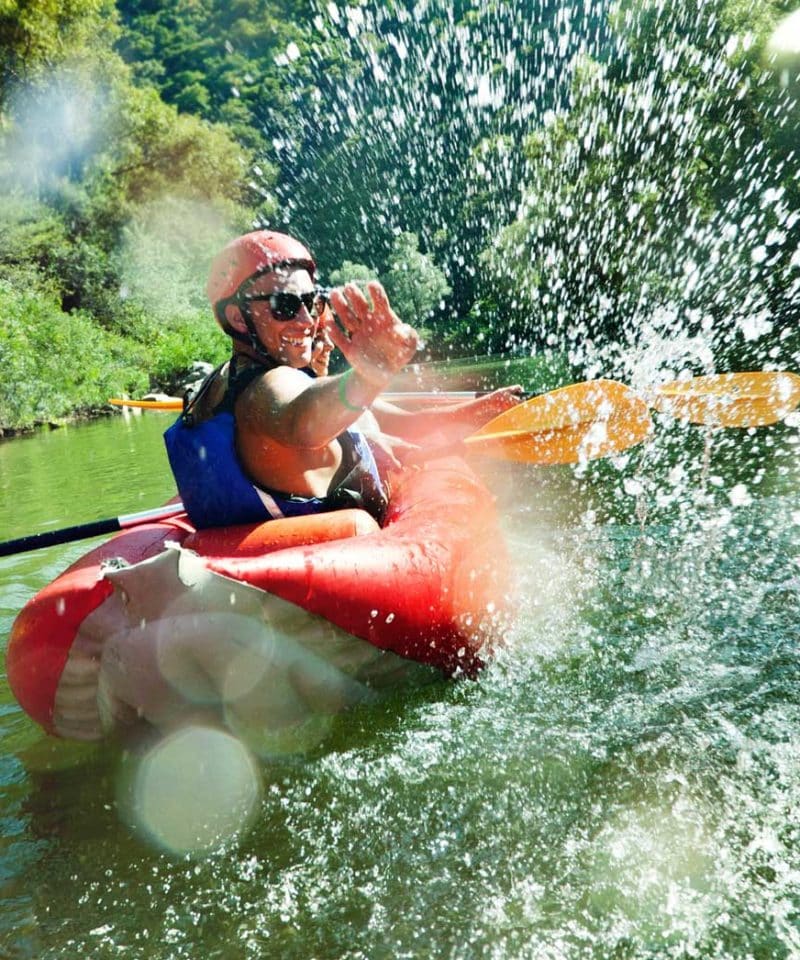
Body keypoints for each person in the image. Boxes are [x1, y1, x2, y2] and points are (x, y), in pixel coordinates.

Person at [164, 230, 522, 529]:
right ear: (239, 319)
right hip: (315, 590)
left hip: (261, 563)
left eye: (312, 302)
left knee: (375, 438)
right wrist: (369, 376)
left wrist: (465, 411)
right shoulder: (264, 390)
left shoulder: (224, 380)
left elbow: (346, 414)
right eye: (284, 305)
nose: (306, 320)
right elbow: (301, 421)